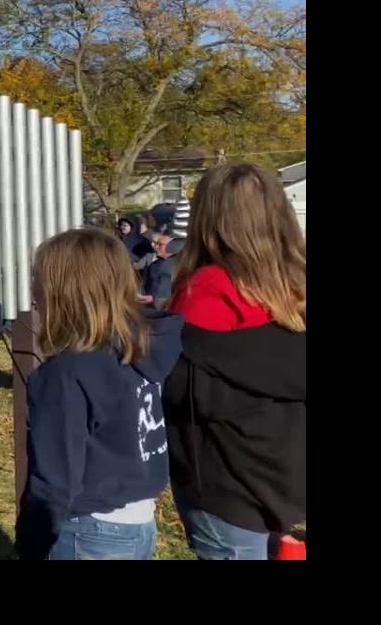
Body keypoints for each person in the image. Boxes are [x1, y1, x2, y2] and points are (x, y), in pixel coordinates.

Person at [162, 163, 306, 561]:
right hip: (286, 482)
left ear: (207, 220)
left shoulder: (205, 292)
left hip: (225, 486)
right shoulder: (298, 286)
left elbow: (184, 390)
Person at [15, 228, 183, 560]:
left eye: (39, 280)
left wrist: (31, 547)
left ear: (63, 293)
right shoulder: (140, 348)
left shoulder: (65, 375)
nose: (34, 292)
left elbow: (54, 481)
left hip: (88, 531)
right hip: (138, 525)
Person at [138, 234, 182, 311]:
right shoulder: (155, 264)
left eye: (160, 244)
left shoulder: (174, 267)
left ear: (173, 247)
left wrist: (154, 299)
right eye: (156, 243)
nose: (156, 246)